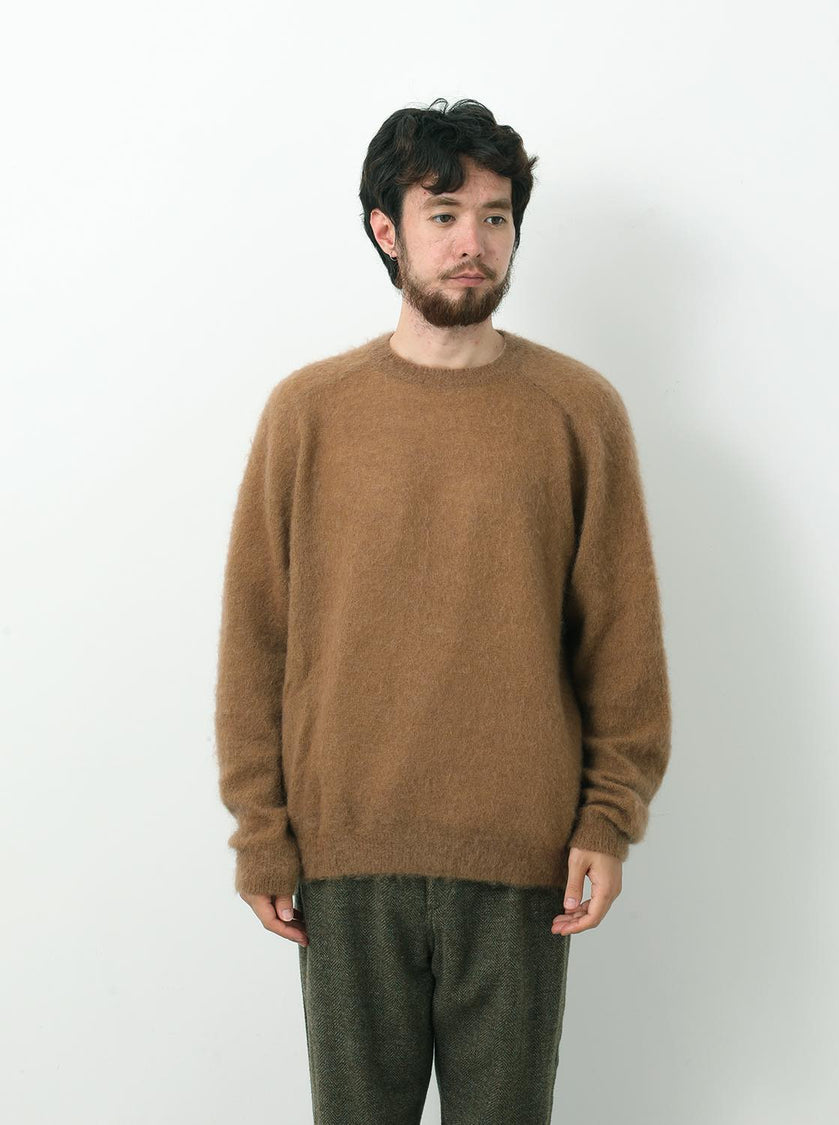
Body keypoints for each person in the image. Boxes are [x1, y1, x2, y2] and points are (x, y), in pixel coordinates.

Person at [214, 96, 672, 1125]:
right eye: (444, 213)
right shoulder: (308, 413)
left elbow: (622, 641)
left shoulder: (577, 411)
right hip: (345, 857)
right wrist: (261, 833)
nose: (474, 242)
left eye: (496, 217)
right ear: (388, 230)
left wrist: (608, 818)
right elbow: (256, 639)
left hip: (521, 865)